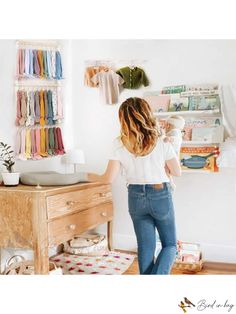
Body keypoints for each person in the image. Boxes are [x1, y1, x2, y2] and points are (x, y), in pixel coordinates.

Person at [88, 97, 181, 275]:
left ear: (123, 119)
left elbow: (107, 178)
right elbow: (176, 172)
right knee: (169, 244)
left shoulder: (118, 143)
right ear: (147, 115)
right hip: (160, 193)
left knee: (146, 246)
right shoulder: (162, 141)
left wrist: (85, 176)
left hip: (135, 196)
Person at [163, 115, 185, 190]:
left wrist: (169, 138)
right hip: (171, 156)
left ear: (168, 125)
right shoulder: (176, 131)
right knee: (167, 171)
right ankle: (171, 183)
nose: (164, 128)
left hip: (172, 156)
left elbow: (176, 139)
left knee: (166, 170)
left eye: (165, 126)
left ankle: (171, 184)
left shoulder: (175, 132)